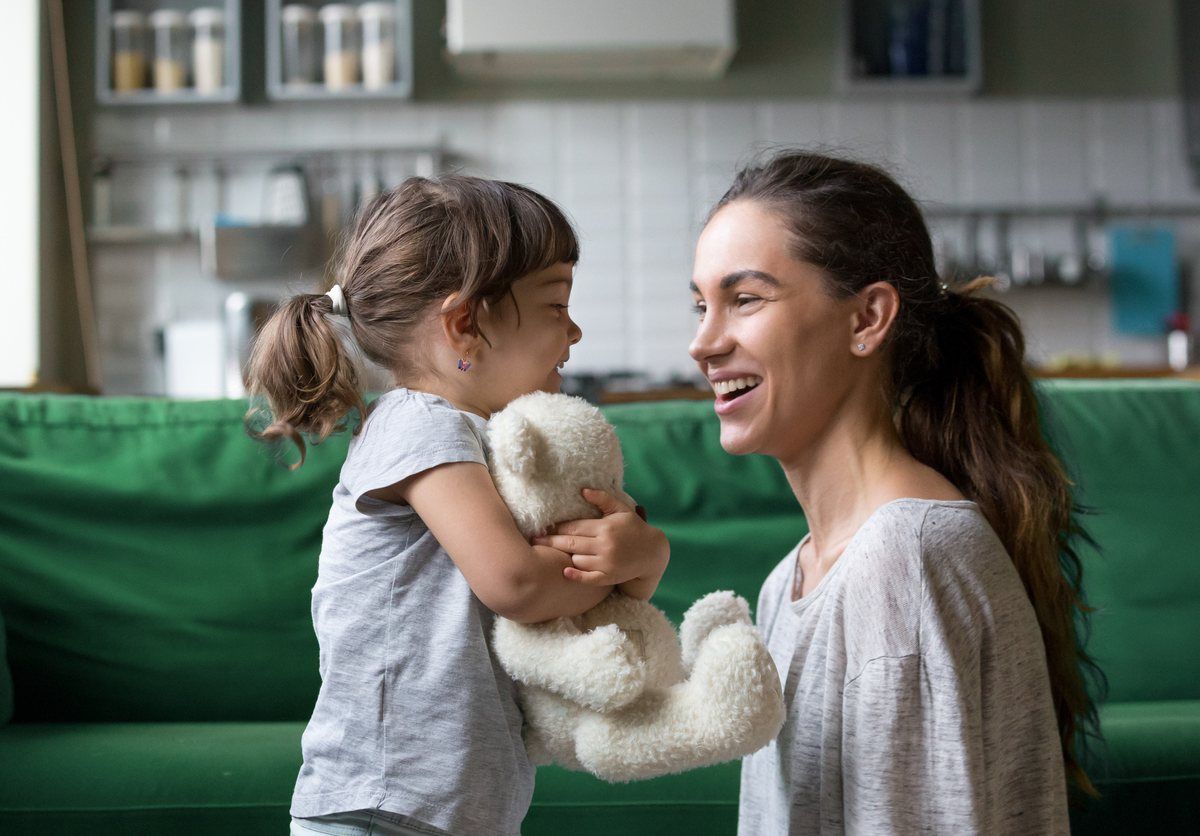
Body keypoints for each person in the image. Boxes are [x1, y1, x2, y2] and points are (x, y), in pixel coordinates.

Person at [686, 151, 1101, 835]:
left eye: (746, 299)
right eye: (701, 304)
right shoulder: (787, 582)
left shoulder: (903, 561)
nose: (703, 342)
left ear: (867, 318)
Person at [246, 175, 670, 836]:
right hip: (378, 806)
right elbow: (519, 583)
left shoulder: (492, 444)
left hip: (455, 808)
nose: (576, 330)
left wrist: (639, 553)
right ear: (465, 324)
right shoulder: (419, 425)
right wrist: (631, 559)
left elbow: (590, 587)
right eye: (557, 305)